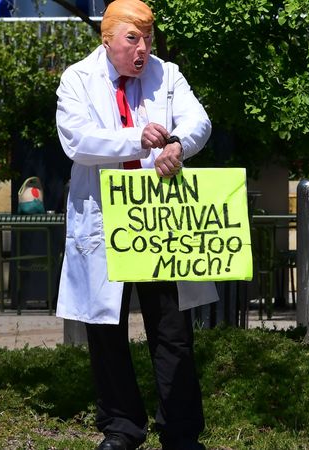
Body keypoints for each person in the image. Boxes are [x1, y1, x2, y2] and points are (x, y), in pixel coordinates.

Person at [54, 1, 218, 449]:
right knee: (106, 331)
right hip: (104, 220)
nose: (143, 48)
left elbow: (199, 120)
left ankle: (181, 433)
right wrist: (137, 139)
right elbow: (78, 140)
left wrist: (178, 144)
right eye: (133, 38)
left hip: (156, 220)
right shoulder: (77, 79)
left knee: (172, 329)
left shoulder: (168, 74)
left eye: (148, 38)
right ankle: (121, 428)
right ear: (107, 39)